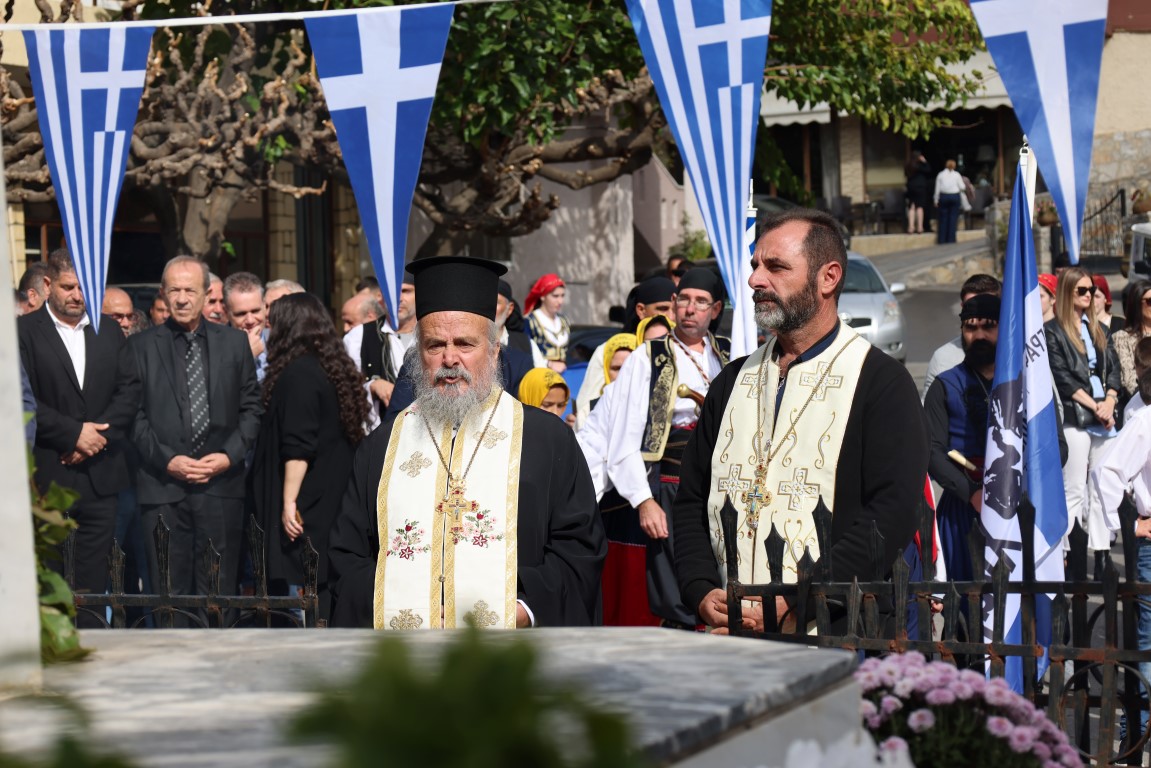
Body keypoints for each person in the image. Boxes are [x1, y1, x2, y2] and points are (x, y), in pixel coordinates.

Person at [671, 209, 928, 633]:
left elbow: (891, 514)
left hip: (836, 634)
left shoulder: (880, 382)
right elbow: (691, 501)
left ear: (828, 278)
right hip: (731, 632)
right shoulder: (731, 381)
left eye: (775, 267)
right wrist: (700, 589)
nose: (755, 280)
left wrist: (799, 602)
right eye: (755, 265)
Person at [327, 255, 606, 629]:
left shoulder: (548, 440)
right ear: (418, 355)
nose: (449, 359)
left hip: (514, 648)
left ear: (493, 350)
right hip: (405, 652)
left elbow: (579, 548)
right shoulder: (382, 447)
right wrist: (403, 609)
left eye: (464, 344)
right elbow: (347, 556)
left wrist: (520, 610)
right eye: (434, 345)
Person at [585, 268, 729, 628]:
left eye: (701, 302)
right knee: (676, 588)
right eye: (684, 300)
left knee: (716, 576)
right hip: (671, 484)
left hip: (718, 485)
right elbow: (624, 435)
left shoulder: (725, 354)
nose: (690, 309)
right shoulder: (648, 356)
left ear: (715, 309)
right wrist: (644, 500)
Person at [130, 256, 262, 625]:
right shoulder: (141, 346)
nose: (182, 298)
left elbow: (252, 409)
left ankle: (217, 659)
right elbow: (132, 415)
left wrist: (228, 456)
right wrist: (166, 460)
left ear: (207, 294)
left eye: (190, 290)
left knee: (217, 594)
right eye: (174, 290)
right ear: (162, 293)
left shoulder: (234, 344)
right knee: (168, 596)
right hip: (162, 487)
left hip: (220, 486)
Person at [18, 249, 141, 626]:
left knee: (92, 587)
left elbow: (129, 391)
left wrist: (95, 439)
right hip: (49, 476)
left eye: (84, 287)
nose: (77, 295)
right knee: (50, 582)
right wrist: (74, 435)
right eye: (69, 287)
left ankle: (91, 650)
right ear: (48, 284)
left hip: (100, 477)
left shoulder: (109, 332)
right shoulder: (24, 331)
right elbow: (24, 399)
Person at [250, 293, 369, 621]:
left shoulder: (299, 373)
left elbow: (298, 445)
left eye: (272, 325)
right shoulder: (329, 366)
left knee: (311, 587)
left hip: (310, 498)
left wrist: (289, 501)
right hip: (332, 491)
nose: (268, 333)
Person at [1091, 357, 1151, 729]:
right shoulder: (1146, 420)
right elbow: (1107, 470)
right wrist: (1127, 526)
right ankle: (1138, 734)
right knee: (1148, 647)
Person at [924, 295, 1000, 581]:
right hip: (963, 507)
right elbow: (932, 450)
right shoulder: (944, 385)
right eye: (970, 327)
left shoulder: (1025, 383)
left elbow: (1054, 447)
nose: (978, 335)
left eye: (988, 326)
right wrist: (971, 493)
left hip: (1017, 505)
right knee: (963, 598)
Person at [1046, 267, 1120, 557]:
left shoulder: (1099, 329)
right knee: (1074, 487)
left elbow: (1113, 370)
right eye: (1082, 290)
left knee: (1103, 488)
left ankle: (1101, 552)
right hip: (1076, 417)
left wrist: (1110, 401)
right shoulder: (1053, 332)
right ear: (1067, 292)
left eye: (1091, 290)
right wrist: (1096, 406)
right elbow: (1063, 378)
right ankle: (1068, 553)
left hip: (1105, 416)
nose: (1089, 295)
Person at [574, 276, 675, 430]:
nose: (671, 316)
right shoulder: (610, 351)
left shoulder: (682, 349)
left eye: (674, 309)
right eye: (663, 309)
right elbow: (586, 408)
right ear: (641, 310)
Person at [922, 274, 1002, 398]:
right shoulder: (943, 360)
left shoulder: (1025, 355)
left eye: (988, 304)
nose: (980, 335)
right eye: (971, 304)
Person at [223, 272, 268, 380]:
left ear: (265, 306)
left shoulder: (281, 342)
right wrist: (248, 356)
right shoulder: (214, 347)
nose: (250, 320)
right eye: (241, 314)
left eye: (255, 311)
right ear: (226, 313)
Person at [1113, 279, 1151, 405]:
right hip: (1141, 402)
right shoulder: (1122, 338)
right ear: (1136, 303)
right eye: (1150, 301)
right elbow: (1129, 381)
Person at [524, 273, 570, 373]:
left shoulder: (563, 321)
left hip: (564, 375)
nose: (560, 301)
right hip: (540, 374)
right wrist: (549, 363)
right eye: (555, 296)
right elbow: (525, 352)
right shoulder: (530, 321)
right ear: (543, 296)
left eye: (562, 296)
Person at [934, 159, 970, 245]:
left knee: (943, 218)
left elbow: (937, 189)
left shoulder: (940, 174)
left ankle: (942, 239)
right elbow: (962, 187)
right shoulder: (956, 175)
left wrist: (936, 199)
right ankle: (951, 239)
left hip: (944, 196)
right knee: (953, 218)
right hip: (954, 196)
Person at [905, 151, 932, 235]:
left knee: (912, 207)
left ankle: (911, 227)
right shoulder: (919, 166)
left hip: (911, 187)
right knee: (920, 207)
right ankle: (920, 227)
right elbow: (928, 170)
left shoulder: (908, 165)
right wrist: (924, 161)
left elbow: (906, 174)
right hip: (920, 187)